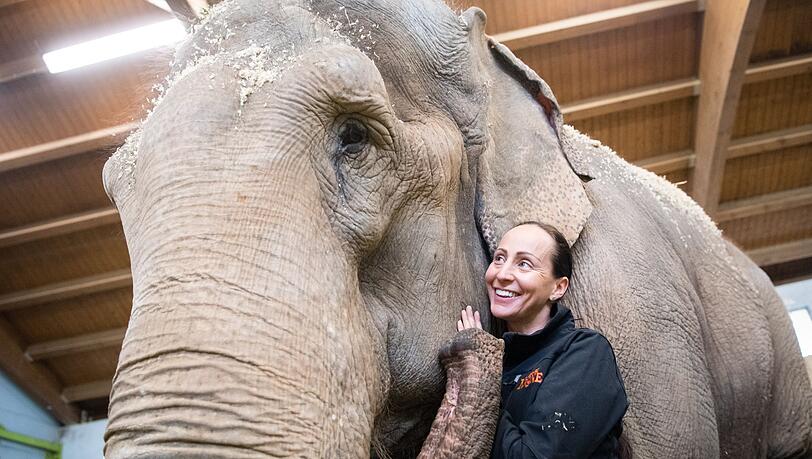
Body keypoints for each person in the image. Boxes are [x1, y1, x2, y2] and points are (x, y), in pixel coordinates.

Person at [458, 222, 628, 458]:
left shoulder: (585, 353)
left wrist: (479, 376)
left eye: (524, 264)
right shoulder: (500, 358)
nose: (502, 274)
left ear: (558, 288)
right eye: (499, 258)